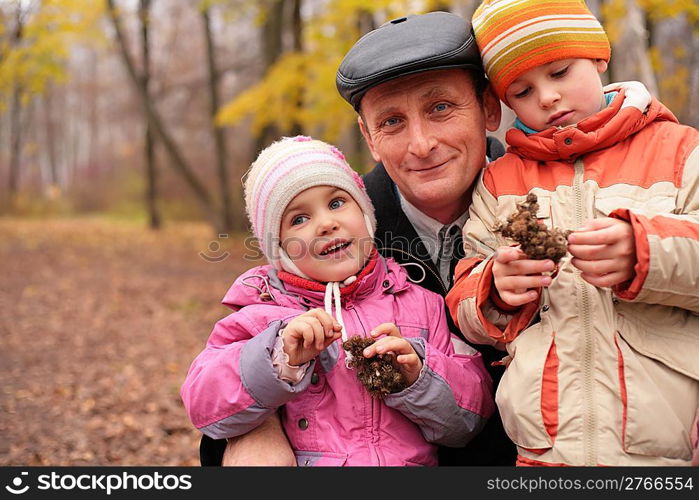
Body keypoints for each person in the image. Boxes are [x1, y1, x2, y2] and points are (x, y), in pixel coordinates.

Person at [203, 11, 518, 467]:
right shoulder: (338, 238)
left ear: (489, 108)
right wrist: (257, 428)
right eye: (392, 121)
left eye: (440, 108)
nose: (422, 143)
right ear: (369, 138)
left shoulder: (549, 204)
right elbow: (229, 379)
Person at [446, 0, 699, 466]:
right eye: (522, 91)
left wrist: (646, 251)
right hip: (545, 449)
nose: (546, 97)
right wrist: (495, 291)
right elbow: (464, 301)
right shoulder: (499, 182)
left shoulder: (680, 151)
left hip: (668, 443)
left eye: (560, 72)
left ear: (599, 58)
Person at [181, 136, 495, 466]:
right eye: (299, 219)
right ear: (280, 248)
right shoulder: (264, 312)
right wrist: (280, 358)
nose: (327, 223)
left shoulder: (420, 303)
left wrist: (418, 374)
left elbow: (469, 419)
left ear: (365, 212)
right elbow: (205, 404)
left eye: (336, 203)